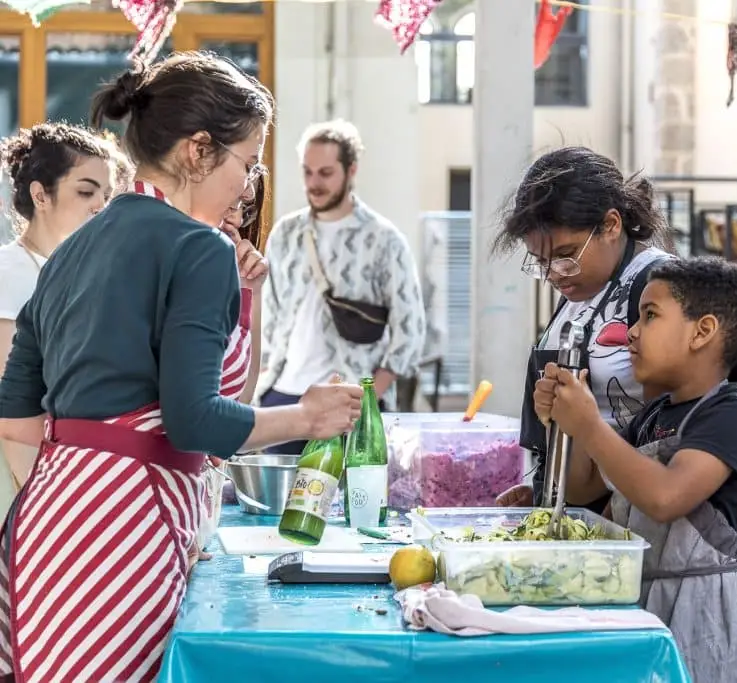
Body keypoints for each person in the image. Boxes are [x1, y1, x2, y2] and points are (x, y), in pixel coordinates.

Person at [0, 52, 364, 682]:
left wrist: (83, 465)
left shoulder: (68, 251)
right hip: (121, 529)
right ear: (199, 151)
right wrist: (306, 415)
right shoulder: (200, 247)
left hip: (47, 523)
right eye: (246, 164)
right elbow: (194, 421)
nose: (246, 186)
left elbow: (16, 414)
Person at [535, 256, 737, 683]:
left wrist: (589, 424)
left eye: (649, 316)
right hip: (651, 613)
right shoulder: (654, 415)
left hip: (716, 627)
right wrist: (560, 423)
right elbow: (584, 486)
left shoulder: (731, 414)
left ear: (702, 331)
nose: (631, 331)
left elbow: (666, 497)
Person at [491, 146, 675, 512]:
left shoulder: (656, 286)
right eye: (542, 262)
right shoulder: (584, 289)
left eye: (566, 254)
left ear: (611, 225)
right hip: (578, 505)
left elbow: (671, 434)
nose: (555, 274)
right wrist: (545, 488)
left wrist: (616, 508)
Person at [256, 118, 426, 454]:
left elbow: (411, 329)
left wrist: (370, 395)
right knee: (276, 506)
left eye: (325, 172)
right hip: (284, 398)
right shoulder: (285, 233)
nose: (314, 183)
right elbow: (269, 317)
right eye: (307, 171)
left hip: (350, 402)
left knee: (354, 504)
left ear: (351, 171)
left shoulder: (384, 239)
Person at [0, 122, 128, 514]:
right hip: (21, 485)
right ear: (40, 194)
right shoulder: (11, 273)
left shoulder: (84, 275)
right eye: (86, 191)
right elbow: (13, 414)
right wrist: (52, 507)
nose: (99, 207)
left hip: (71, 475)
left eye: (107, 196)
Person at [194, 173, 270, 561]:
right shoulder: (178, 259)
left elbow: (242, 392)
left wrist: (249, 292)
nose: (237, 218)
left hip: (199, 490)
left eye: (246, 206)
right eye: (233, 200)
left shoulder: (229, 268)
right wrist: (307, 418)